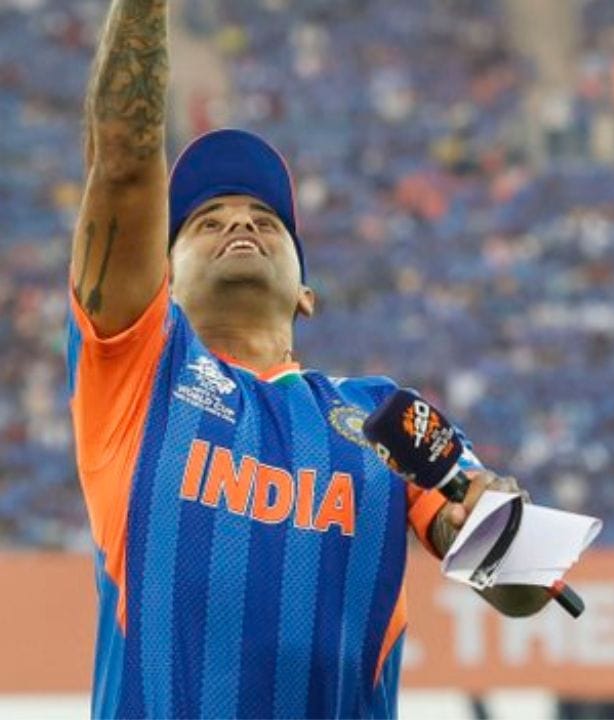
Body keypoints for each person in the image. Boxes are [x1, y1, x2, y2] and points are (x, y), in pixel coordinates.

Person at [69, 2, 548, 717]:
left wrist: (498, 522)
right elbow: (123, 164)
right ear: (161, 279)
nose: (239, 221)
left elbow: (522, 587)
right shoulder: (139, 375)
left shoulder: (383, 414)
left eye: (267, 220)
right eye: (206, 221)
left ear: (307, 295)